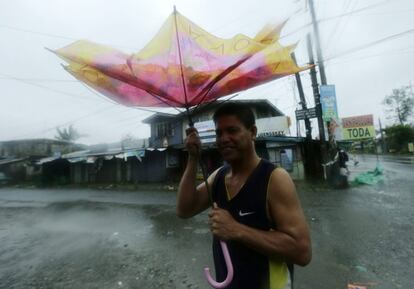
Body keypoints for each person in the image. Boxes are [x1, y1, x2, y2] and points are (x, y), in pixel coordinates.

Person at [177, 103, 311, 289]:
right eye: (219, 133)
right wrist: (192, 158)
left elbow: (302, 252)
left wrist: (236, 230)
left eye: (232, 130)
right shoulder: (219, 177)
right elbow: (185, 209)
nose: (224, 139)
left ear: (253, 132)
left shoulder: (274, 179)